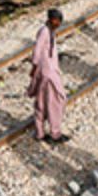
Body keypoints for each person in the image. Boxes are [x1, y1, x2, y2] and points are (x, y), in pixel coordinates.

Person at [27, 9, 68, 144]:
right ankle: (55, 133)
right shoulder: (44, 32)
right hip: (47, 72)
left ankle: (39, 132)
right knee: (56, 100)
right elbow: (37, 50)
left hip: (46, 71)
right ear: (52, 19)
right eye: (57, 21)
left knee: (42, 102)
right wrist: (34, 67)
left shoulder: (49, 31)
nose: (58, 24)